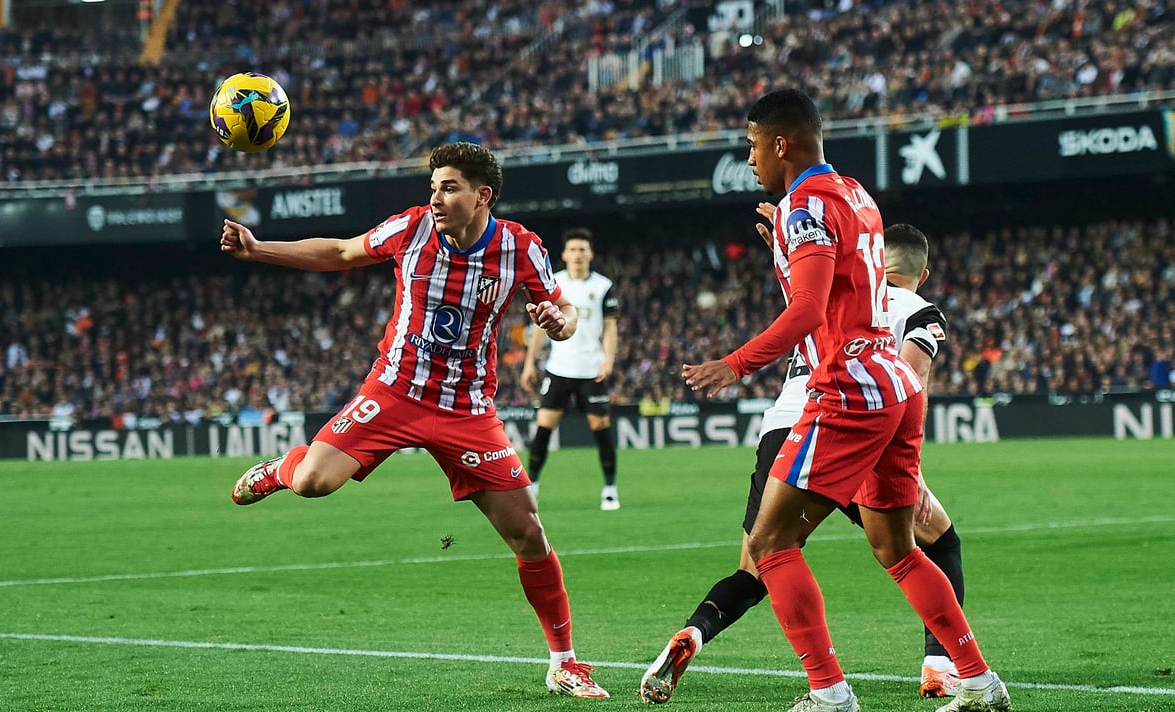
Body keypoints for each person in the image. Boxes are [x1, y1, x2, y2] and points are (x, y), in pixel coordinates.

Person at [218, 142, 610, 699]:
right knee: (311, 482)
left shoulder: (520, 247)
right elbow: (343, 251)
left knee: (528, 533)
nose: (436, 199)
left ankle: (564, 663)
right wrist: (260, 249)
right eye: (433, 188)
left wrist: (558, 321)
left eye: (448, 188)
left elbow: (565, 312)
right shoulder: (412, 229)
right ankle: (279, 470)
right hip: (395, 391)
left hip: (466, 408)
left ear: (482, 195)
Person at [675, 89, 1009, 712]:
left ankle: (829, 692)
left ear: (780, 143)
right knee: (899, 550)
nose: (748, 159)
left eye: (751, 144)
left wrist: (735, 364)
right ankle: (978, 680)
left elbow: (808, 310)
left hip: (847, 389)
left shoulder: (803, 205)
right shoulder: (855, 194)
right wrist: (786, 250)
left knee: (769, 546)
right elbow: (841, 290)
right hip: (893, 382)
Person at [641, 220, 969, 703]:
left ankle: (695, 631)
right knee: (935, 543)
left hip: (781, 429)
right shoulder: (917, 310)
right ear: (922, 276)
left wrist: (786, 251)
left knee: (759, 565)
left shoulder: (839, 292)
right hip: (849, 428)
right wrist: (911, 468)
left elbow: (803, 300)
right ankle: (941, 667)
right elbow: (909, 377)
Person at [519, 227, 621, 510]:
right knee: (544, 427)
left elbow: (610, 328)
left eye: (582, 250)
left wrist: (608, 359)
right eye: (573, 250)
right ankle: (532, 486)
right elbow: (539, 328)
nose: (577, 255)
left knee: (601, 428)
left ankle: (610, 489)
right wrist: (529, 363)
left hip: (591, 369)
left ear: (590, 254)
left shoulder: (603, 286)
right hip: (559, 368)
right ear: (564, 254)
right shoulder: (554, 284)